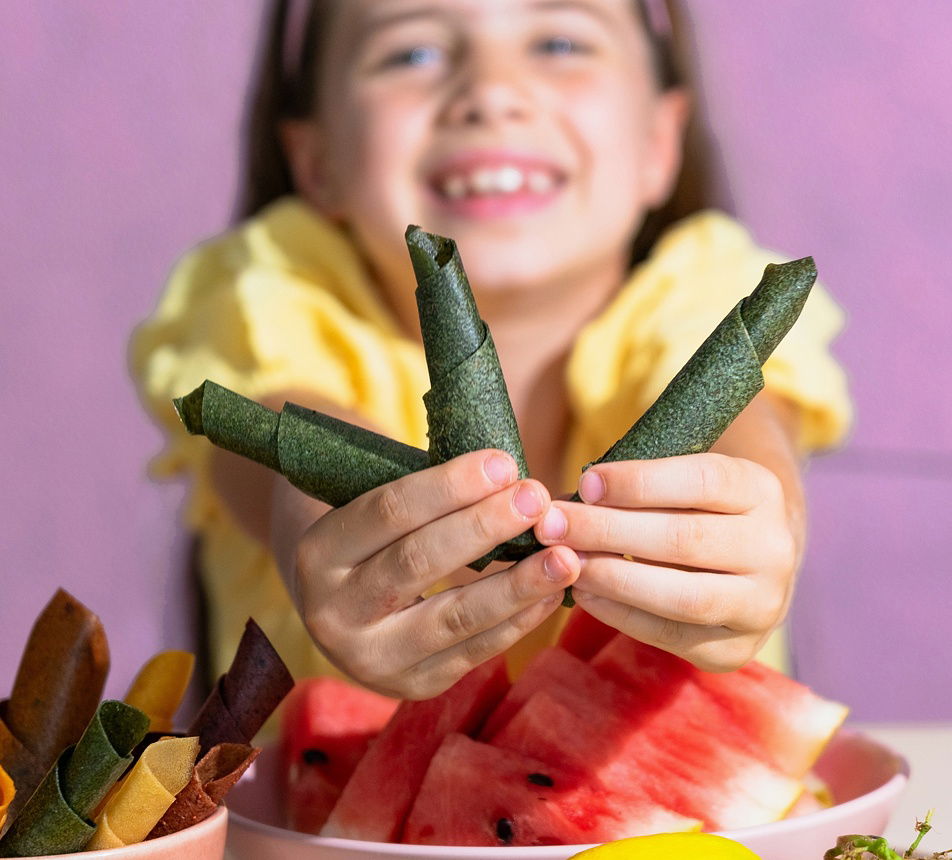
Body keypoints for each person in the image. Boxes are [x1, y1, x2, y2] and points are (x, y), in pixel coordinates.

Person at [130, 0, 851, 702]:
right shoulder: (265, 285)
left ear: (659, 143)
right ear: (316, 160)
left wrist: (760, 520)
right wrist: (331, 531)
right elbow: (279, 422)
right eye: (410, 52)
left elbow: (751, 433)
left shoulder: (708, 285)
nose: (492, 93)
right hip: (293, 819)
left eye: (560, 43)